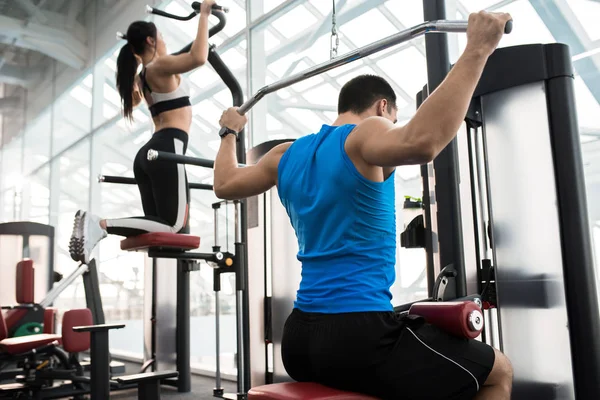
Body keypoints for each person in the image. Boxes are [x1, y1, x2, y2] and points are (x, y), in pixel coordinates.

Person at [212, 11, 514, 400]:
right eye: (394, 119)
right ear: (382, 107)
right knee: (497, 371)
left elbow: (224, 184)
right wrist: (477, 49)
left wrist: (228, 132)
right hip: (356, 336)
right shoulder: (365, 133)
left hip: (300, 337)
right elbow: (422, 142)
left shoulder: (285, 155)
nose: (392, 127)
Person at [69, 0, 217, 264]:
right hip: (167, 148)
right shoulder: (158, 67)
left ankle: (100, 225)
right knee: (174, 225)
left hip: (149, 154)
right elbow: (198, 57)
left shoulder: (143, 77)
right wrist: (204, 14)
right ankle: (100, 224)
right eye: (161, 36)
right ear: (150, 41)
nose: (164, 41)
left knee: (158, 223)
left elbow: (143, 94)